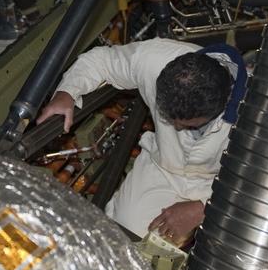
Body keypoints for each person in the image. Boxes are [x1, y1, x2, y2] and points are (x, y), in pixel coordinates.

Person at [36, 38, 245, 243]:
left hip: (226, 184)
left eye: (189, 125)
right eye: (170, 120)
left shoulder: (258, 113)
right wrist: (67, 93)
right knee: (119, 238)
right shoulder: (156, 60)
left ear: (223, 105)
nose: (177, 128)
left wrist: (204, 208)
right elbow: (100, 61)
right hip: (163, 167)